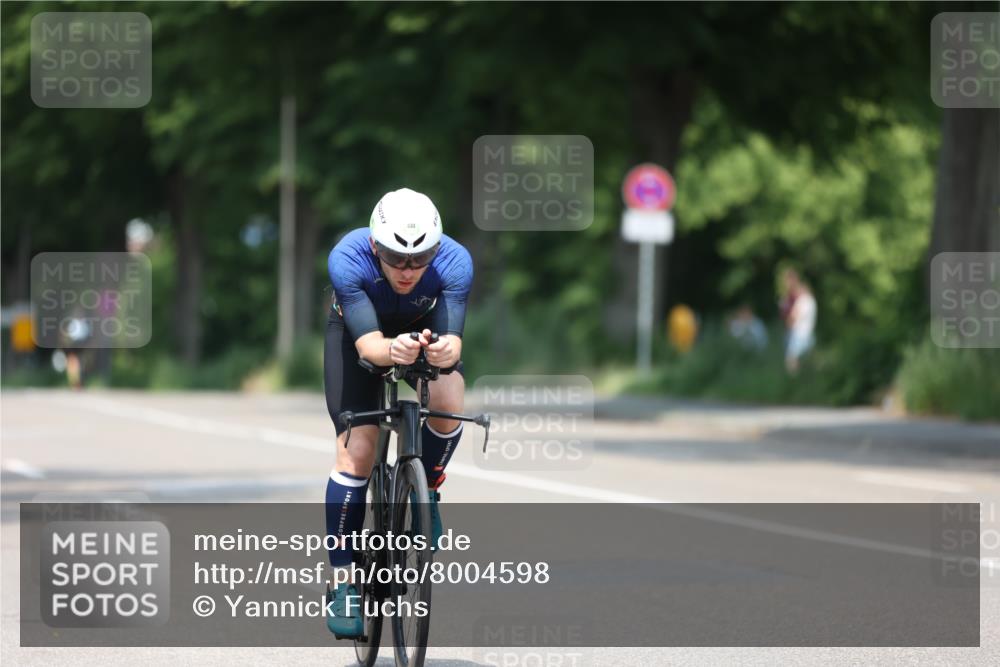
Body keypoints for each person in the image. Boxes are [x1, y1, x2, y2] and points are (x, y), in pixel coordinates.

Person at [322, 188, 473, 638]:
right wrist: (392, 349)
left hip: (420, 331)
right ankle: (343, 582)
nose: (408, 271)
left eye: (420, 257)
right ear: (374, 245)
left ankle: (427, 489)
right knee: (358, 452)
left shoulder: (455, 261)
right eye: (394, 257)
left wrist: (444, 352)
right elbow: (369, 346)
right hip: (361, 337)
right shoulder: (348, 257)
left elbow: (455, 345)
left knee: (449, 397)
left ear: (437, 248)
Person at [780, 269, 816, 374]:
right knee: (806, 361)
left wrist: (788, 318)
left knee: (791, 360)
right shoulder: (810, 301)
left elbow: (794, 316)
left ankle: (794, 381)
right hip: (806, 333)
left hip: (799, 334)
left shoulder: (804, 300)